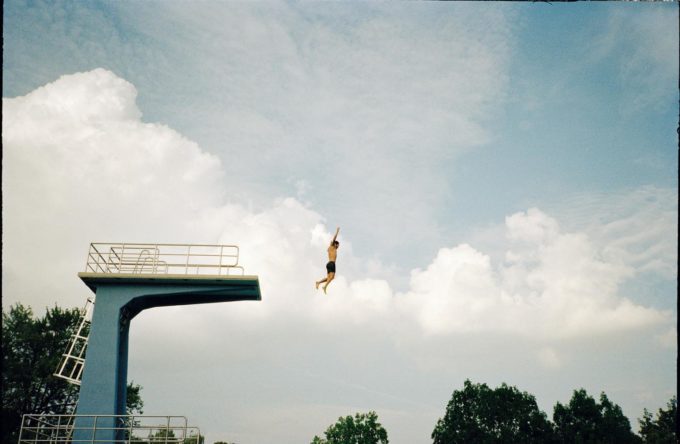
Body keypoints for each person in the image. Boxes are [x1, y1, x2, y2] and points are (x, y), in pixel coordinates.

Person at [316, 227, 340, 294]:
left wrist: (330, 244)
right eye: (338, 245)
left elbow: (328, 249)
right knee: (332, 277)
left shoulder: (329, 248)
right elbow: (334, 238)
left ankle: (318, 282)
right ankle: (325, 286)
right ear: (335, 244)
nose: (338, 247)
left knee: (329, 278)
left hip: (328, 264)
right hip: (332, 263)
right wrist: (337, 231)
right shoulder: (332, 247)